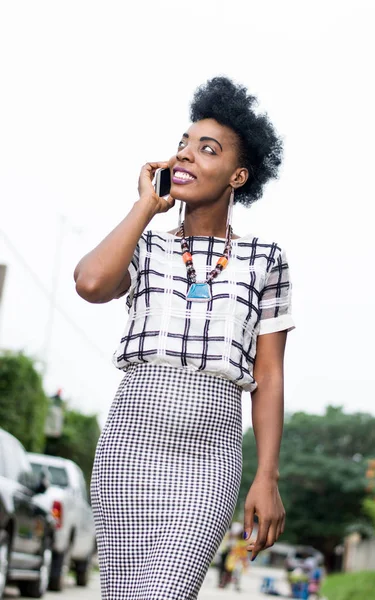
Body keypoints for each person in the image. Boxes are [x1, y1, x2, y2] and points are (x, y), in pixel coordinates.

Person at [74, 76, 295, 600]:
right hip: (129, 444)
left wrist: (266, 476)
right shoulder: (145, 245)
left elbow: (268, 375)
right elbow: (90, 283)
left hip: (209, 453)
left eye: (207, 149)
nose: (186, 156)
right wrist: (145, 209)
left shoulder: (266, 260)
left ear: (238, 175)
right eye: (182, 146)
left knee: (167, 591)